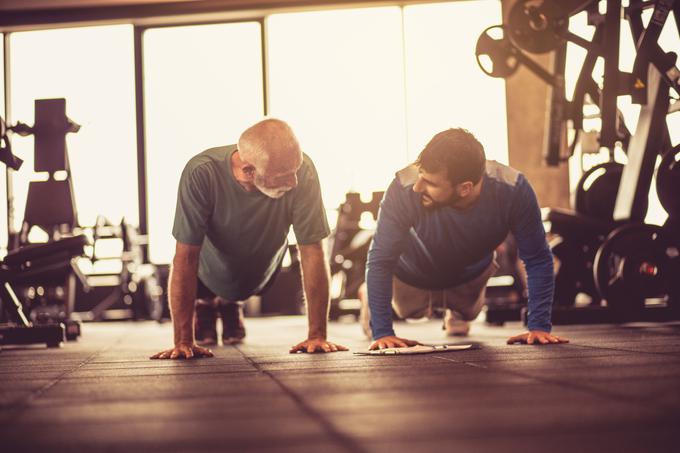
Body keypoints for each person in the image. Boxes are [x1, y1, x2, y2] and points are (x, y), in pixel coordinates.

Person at [151, 118, 347, 359]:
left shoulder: (302, 170)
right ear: (248, 170)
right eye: (284, 175)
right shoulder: (201, 173)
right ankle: (208, 302)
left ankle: (228, 302)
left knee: (236, 291)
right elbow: (185, 256)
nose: (294, 181)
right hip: (210, 269)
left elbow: (313, 250)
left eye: (295, 171)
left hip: (261, 268)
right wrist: (182, 341)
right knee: (207, 313)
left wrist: (317, 335)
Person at [361, 128, 568, 349]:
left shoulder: (512, 190)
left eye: (430, 183)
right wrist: (381, 331)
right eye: (420, 175)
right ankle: (368, 294)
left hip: (468, 275)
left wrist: (538, 327)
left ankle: (456, 312)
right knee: (407, 312)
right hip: (412, 275)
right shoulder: (404, 187)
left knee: (467, 316)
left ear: (465, 188)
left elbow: (537, 258)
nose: (418, 186)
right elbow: (381, 259)